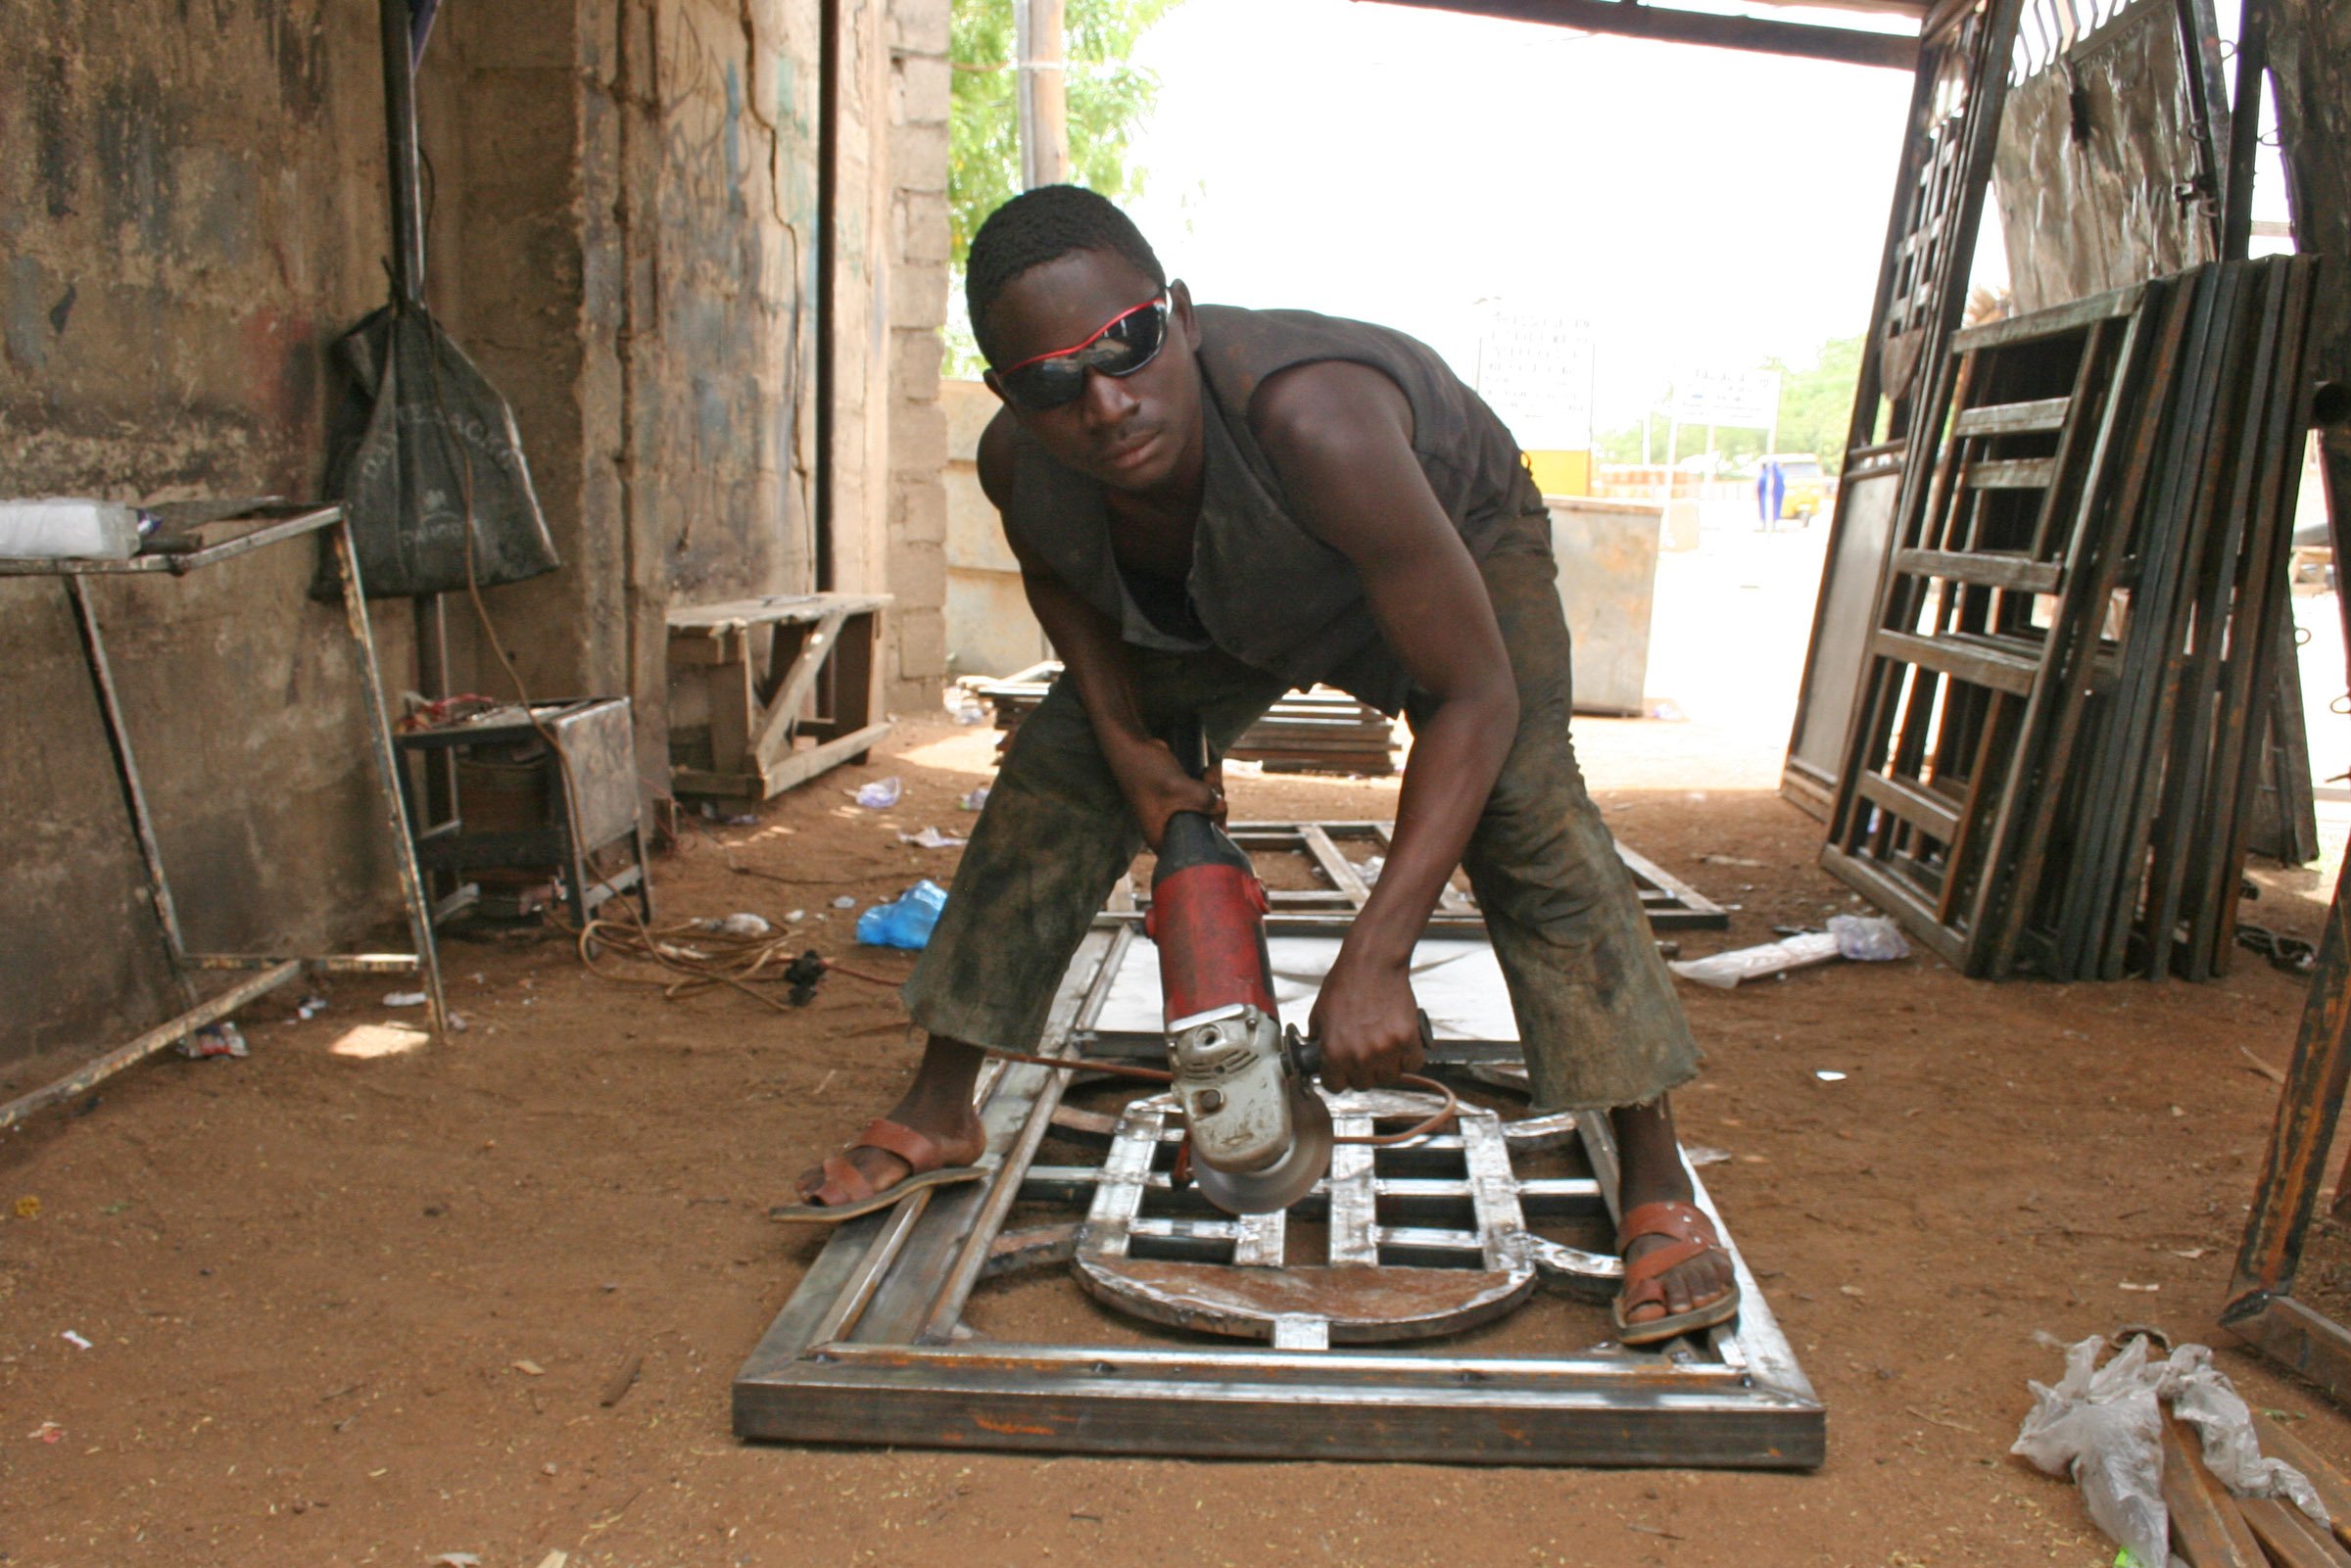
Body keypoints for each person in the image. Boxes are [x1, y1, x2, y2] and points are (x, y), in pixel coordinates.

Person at [778, 185, 1737, 1345]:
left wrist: (1375, 955)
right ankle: (942, 1105)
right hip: (1220, 575)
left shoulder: (1315, 417)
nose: (1105, 399)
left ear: (1176, 314)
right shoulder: (1024, 465)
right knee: (1062, 770)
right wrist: (1133, 753)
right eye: (1050, 382)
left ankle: (1655, 1170)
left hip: (1442, 536)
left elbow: (1472, 695)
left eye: (1125, 343)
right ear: (1010, 400)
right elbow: (1064, 584)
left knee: (1524, 806)